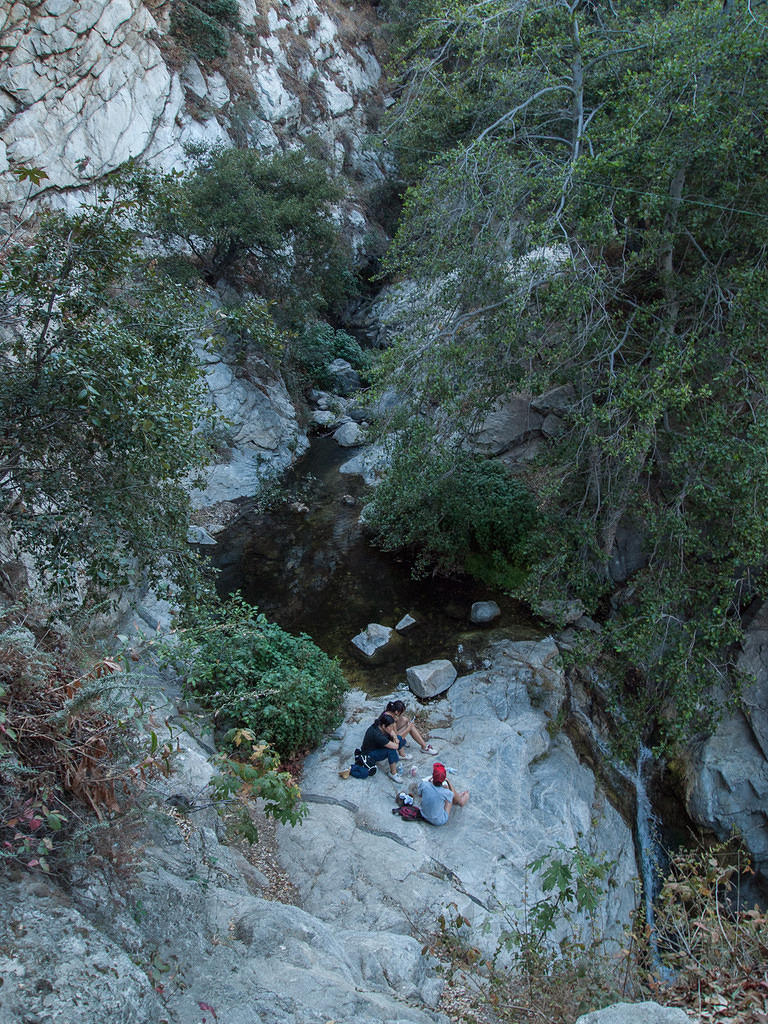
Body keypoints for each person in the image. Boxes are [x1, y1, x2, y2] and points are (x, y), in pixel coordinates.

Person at [360, 712, 405, 783]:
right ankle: (393, 773)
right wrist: (395, 739)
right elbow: (395, 746)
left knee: (399, 737)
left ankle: (400, 755)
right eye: (390, 727)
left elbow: (393, 733)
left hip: (376, 746)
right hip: (369, 754)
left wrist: (395, 737)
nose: (392, 728)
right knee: (391, 750)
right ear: (384, 726)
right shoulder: (378, 735)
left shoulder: (379, 725)